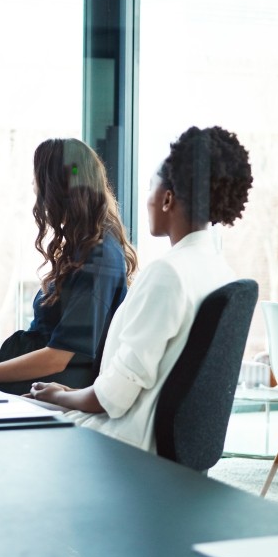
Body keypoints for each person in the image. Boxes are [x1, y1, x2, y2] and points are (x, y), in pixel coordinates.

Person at [28, 126, 253, 452]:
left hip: (121, 442)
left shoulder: (168, 274)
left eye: (150, 187)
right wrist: (65, 395)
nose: (147, 198)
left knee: (5, 418)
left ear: (167, 199)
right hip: (153, 440)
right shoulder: (221, 271)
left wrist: (60, 396)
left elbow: (112, 398)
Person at [0, 138, 136, 395]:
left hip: (55, 388)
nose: (34, 186)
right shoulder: (83, 248)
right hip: (44, 381)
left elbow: (57, 357)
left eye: (38, 179)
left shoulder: (98, 258)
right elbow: (45, 344)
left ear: (57, 189)